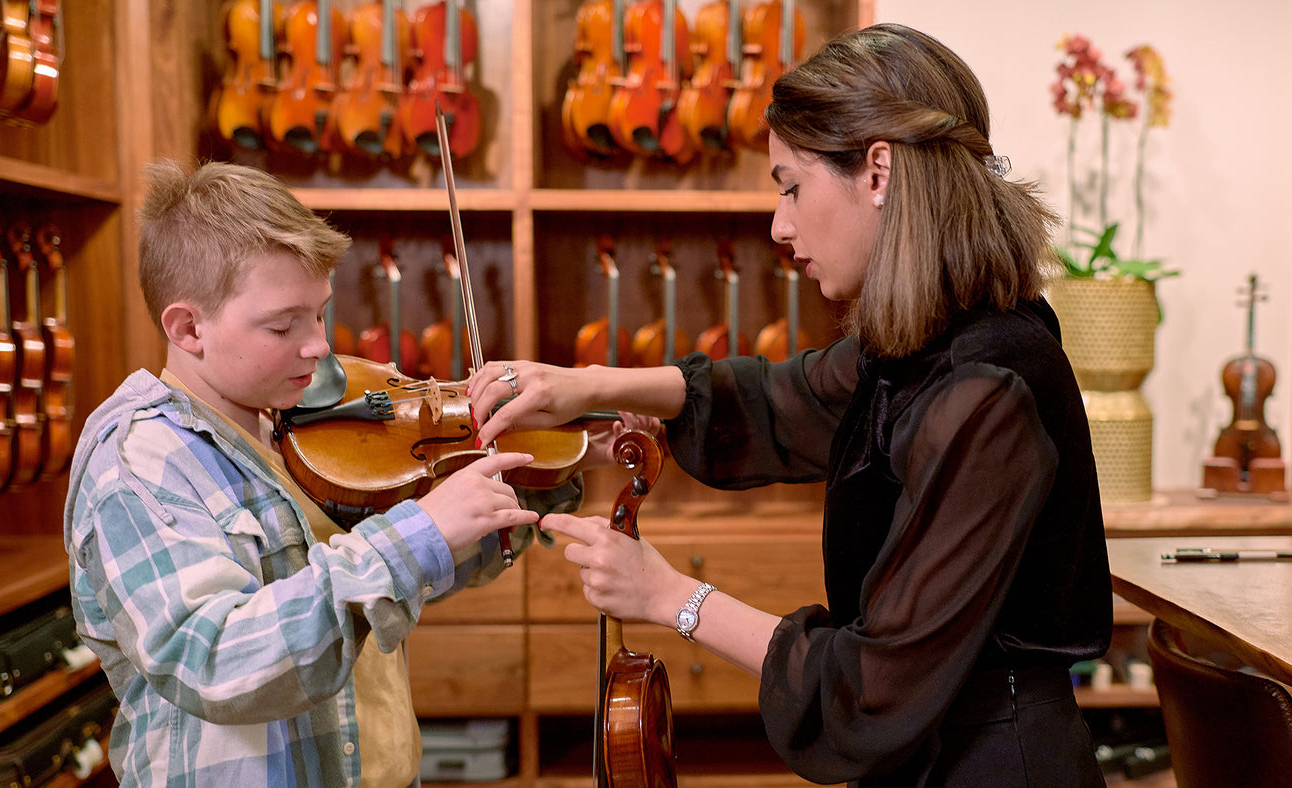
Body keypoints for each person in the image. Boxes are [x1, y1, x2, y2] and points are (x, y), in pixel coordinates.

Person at [467, 23, 1111, 787]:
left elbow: (875, 684)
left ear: (879, 172)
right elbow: (786, 397)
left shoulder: (988, 387)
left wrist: (669, 594)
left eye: (790, 186)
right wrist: (581, 388)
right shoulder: (923, 343)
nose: (779, 224)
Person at [64, 159, 586, 787]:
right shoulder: (140, 460)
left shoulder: (284, 422)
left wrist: (549, 463)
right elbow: (212, 661)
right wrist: (417, 533)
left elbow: (388, 586)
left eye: (318, 313)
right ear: (188, 327)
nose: (318, 345)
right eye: (283, 324)